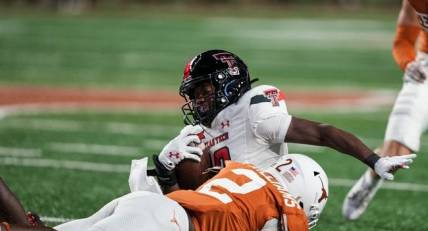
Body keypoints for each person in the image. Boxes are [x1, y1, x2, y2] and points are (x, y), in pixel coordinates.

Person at [0, 150, 334, 231]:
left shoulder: (245, 172)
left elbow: (204, 200)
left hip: (153, 208)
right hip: (167, 226)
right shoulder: (282, 216)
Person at [152, 49, 415, 192]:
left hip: (257, 213)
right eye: (195, 95)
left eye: (205, 92)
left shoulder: (254, 113)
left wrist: (375, 160)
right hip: (213, 208)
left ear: (229, 85)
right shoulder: (197, 131)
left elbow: (322, 134)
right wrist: (166, 172)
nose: (199, 101)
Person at [342, 0, 428, 220]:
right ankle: (369, 181)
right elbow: (403, 41)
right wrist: (408, 63)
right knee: (396, 152)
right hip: (425, 72)